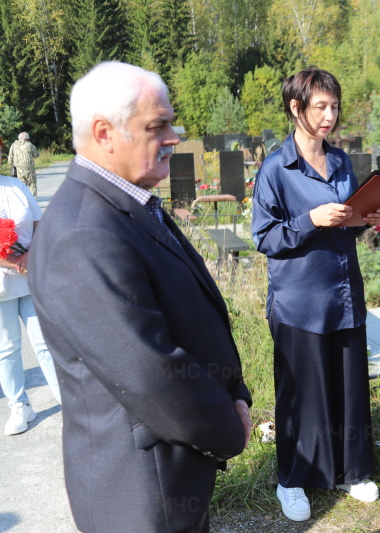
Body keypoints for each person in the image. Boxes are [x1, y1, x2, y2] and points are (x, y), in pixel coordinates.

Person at [27, 61, 252, 533]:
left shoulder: (126, 202)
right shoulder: (84, 233)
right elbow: (151, 373)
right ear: (105, 133)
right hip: (141, 494)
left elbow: (191, 317)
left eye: (171, 123)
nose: (174, 137)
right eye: (158, 126)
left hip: (169, 475)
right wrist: (229, 429)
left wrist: (237, 393)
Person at [251, 66, 380, 522]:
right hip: (299, 300)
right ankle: (292, 480)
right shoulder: (275, 168)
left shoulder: (344, 162)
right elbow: (266, 237)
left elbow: (347, 220)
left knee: (348, 387)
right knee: (301, 394)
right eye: (320, 107)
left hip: (346, 291)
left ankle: (351, 470)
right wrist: (311, 220)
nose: (329, 116)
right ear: (296, 108)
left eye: (334, 106)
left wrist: (364, 219)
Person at [0, 173, 61, 436]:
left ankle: (69, 403)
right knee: (7, 347)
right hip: (2, 282)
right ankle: (20, 405)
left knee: (46, 342)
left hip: (30, 275)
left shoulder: (15, 185)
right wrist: (15, 261)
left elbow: (38, 221)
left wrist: (32, 253)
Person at [8, 133, 39, 197]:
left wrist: (13, 165)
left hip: (18, 168)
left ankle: (23, 199)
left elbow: (10, 158)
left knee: (22, 184)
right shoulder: (30, 145)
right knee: (32, 184)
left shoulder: (13, 145)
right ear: (27, 139)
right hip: (29, 168)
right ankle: (32, 199)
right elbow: (36, 155)